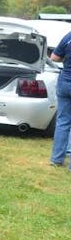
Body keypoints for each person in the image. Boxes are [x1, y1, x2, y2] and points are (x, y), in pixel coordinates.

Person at [49, 29, 71, 169]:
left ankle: (56, 159)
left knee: (63, 121)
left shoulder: (69, 36)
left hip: (65, 83)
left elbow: (54, 58)